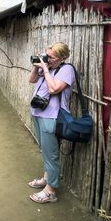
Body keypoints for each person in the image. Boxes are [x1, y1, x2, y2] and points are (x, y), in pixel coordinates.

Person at [27, 42, 75, 204]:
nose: (48, 59)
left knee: (51, 154)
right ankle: (47, 178)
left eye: (51, 57)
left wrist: (46, 70)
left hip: (51, 116)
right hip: (38, 113)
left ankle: (51, 191)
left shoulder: (66, 70)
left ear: (62, 58)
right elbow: (31, 80)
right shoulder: (47, 66)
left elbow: (54, 89)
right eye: (47, 55)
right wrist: (37, 66)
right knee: (45, 150)